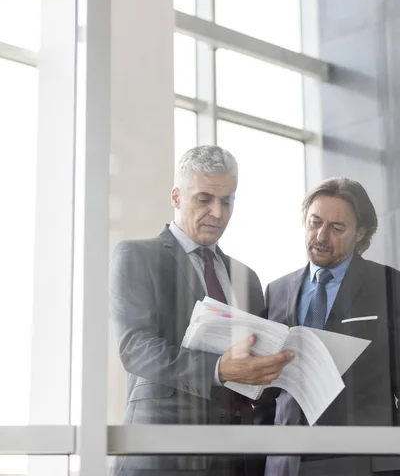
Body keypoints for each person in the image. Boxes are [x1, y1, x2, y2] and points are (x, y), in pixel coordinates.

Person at [110, 145, 292, 476]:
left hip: (233, 456)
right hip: (161, 454)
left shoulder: (246, 277)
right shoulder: (137, 256)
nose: (218, 213)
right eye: (204, 199)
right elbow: (135, 348)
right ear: (177, 197)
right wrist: (219, 368)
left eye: (227, 201)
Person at [260, 177, 400, 476]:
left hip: (360, 460)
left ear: (360, 233)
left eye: (337, 228)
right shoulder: (277, 289)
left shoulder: (390, 285)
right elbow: (267, 392)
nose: (321, 235)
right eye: (315, 223)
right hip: (286, 462)